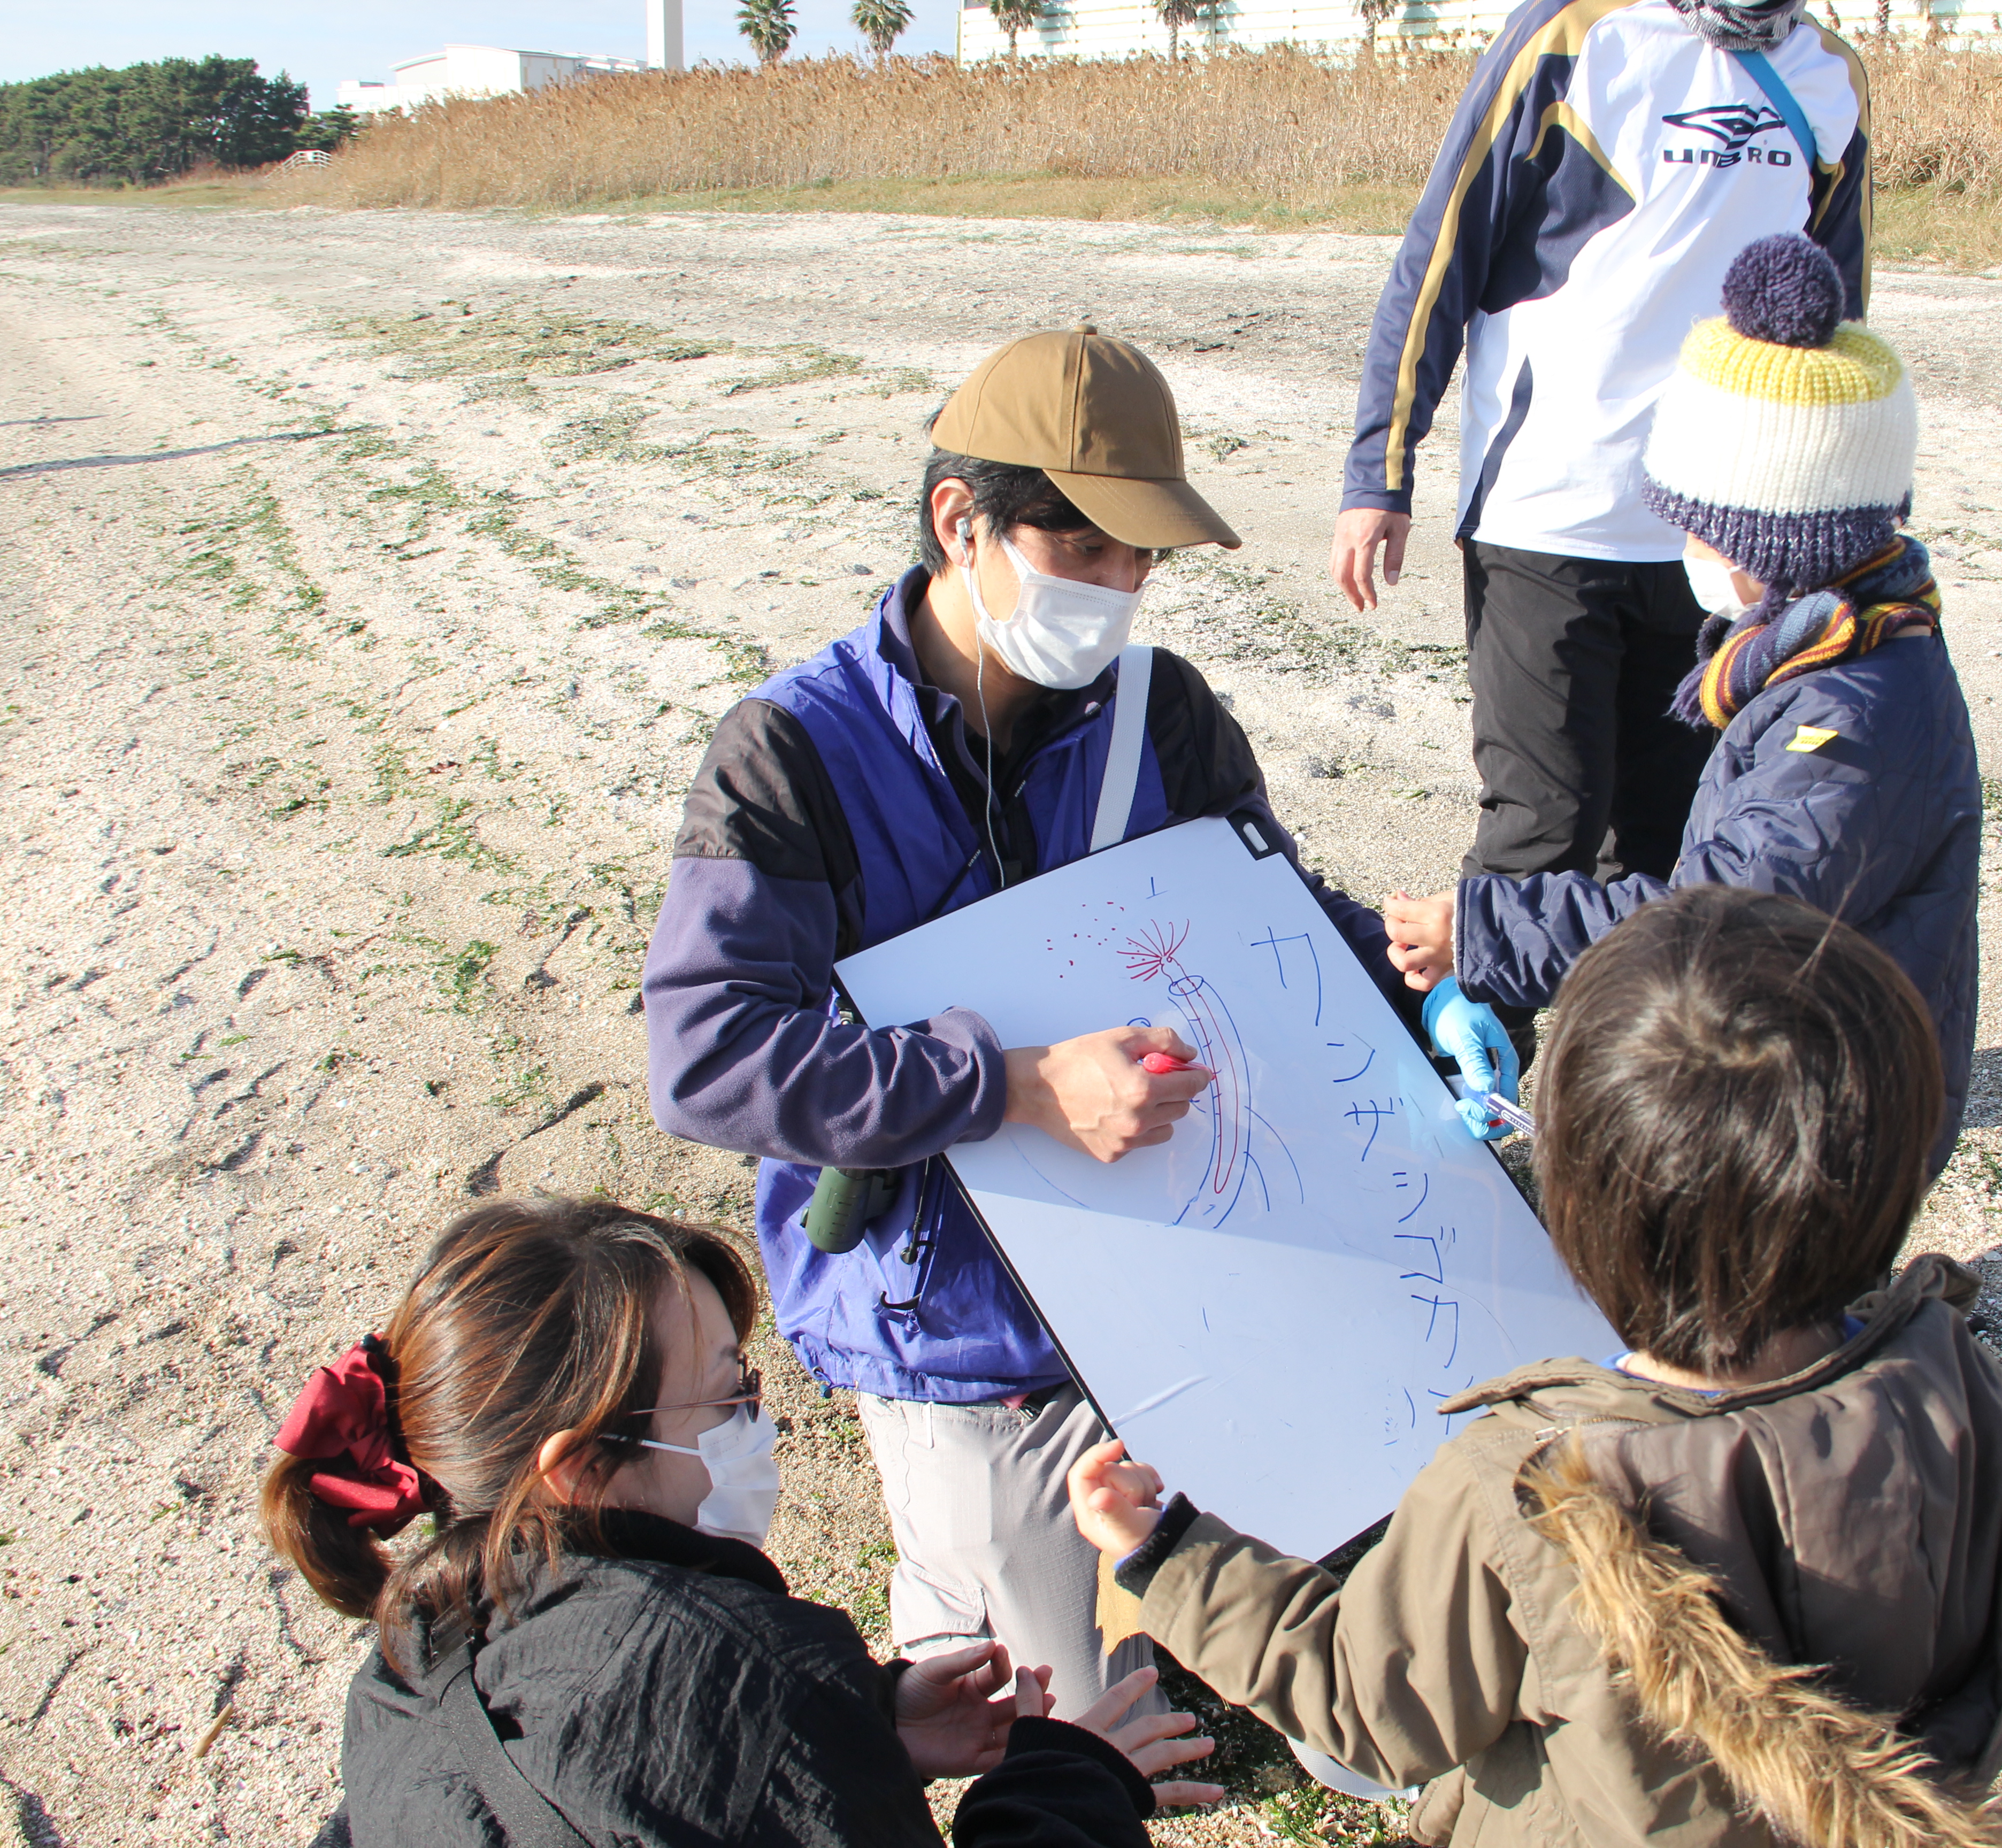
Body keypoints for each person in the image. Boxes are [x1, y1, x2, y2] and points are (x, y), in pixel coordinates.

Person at [641, 325, 1518, 1718]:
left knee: (1219, 1636)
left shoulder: (1160, 715)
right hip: (959, 1322)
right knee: (1031, 1705)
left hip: (1186, 1255)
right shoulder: (789, 755)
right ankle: (961, 1608)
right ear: (959, 522)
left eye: (1143, 560)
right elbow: (707, 1056)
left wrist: (1424, 985)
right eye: (1087, 549)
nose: (1121, 590)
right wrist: (1009, 1087)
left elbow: (1274, 921)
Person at [1067, 887, 2002, 1848]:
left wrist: (1172, 1557)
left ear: (1579, 1204)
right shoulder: (1952, 1373)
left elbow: (1371, 1701)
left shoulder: (1529, 1486)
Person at [262, 1196, 1219, 1846]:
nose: (761, 1420)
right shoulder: (746, 1670)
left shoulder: (404, 1665)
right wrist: (1071, 1782)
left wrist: (865, 1725)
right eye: (728, 1392)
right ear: (583, 1469)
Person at [1384, 233, 1981, 1173]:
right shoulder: (1838, 652)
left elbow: (1724, 919)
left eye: (1699, 526)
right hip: (1807, 1082)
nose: (1685, 546)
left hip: (1818, 1130)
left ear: (1774, 540)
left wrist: (1486, 929)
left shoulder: (1848, 720)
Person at [1334, 0, 1876, 949]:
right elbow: (1442, 252)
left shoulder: (1829, 71)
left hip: (1718, 542)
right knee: (1544, 830)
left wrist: (1824, 522)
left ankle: (1630, 1083)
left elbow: (1835, 320)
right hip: (1549, 515)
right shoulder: (1574, 35)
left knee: (1671, 846)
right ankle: (1473, 1084)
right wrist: (1381, 469)